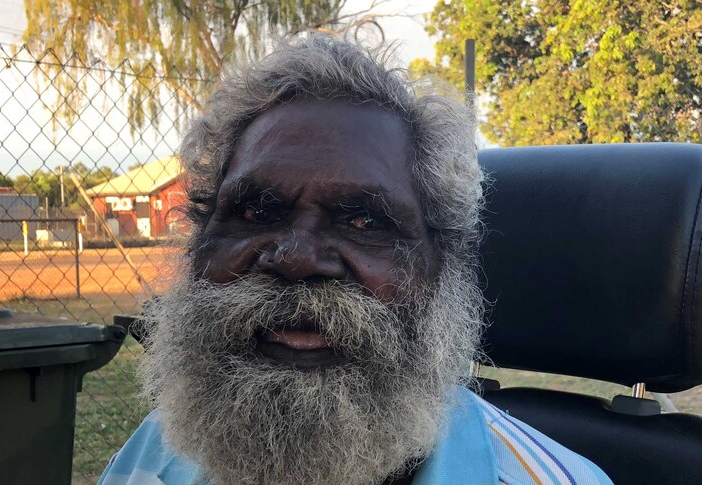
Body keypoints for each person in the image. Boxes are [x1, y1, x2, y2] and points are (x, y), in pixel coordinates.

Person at [99, 34, 612, 485]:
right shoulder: (154, 457)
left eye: (364, 222)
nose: (296, 259)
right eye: (256, 211)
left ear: (443, 267)